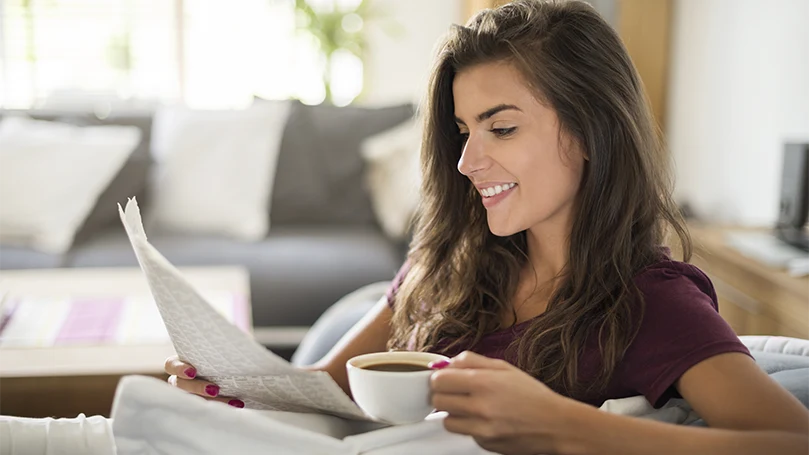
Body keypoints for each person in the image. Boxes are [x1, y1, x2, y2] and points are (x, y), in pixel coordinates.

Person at [165, 1, 809, 453]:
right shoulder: (453, 255)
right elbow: (333, 384)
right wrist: (236, 387)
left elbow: (791, 440)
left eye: (501, 127)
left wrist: (561, 426)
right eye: (464, 131)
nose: (468, 161)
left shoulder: (650, 301)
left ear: (590, 132)